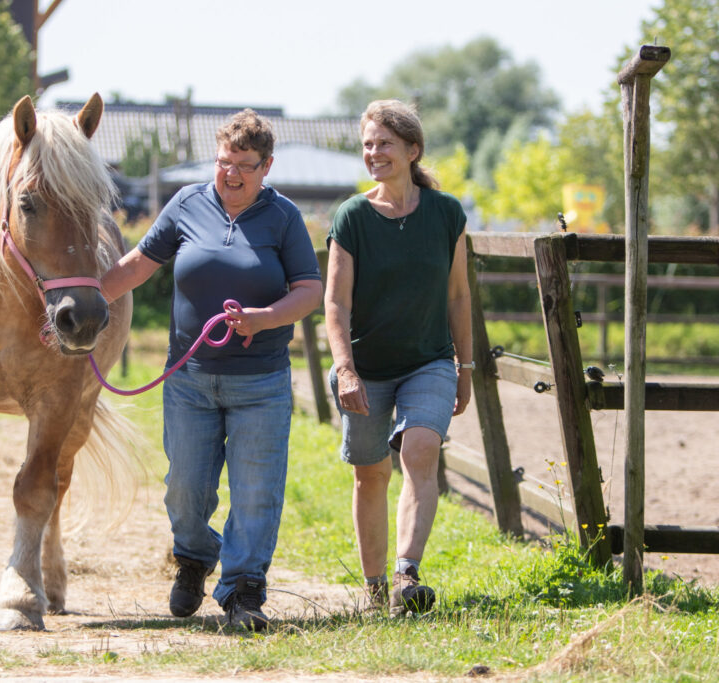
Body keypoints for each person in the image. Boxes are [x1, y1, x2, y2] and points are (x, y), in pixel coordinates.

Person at [101, 109, 322, 630]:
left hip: (261, 382)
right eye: (225, 162)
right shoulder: (187, 204)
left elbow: (309, 290)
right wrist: (78, 303)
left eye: (245, 165)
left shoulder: (283, 217)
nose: (232, 174)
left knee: (255, 491)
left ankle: (244, 591)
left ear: (266, 166)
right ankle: (195, 556)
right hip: (189, 380)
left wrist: (264, 319)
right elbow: (137, 264)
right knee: (185, 490)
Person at [323, 99, 472, 617]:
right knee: (370, 475)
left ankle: (408, 574)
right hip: (365, 368)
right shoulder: (353, 216)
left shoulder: (447, 213)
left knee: (420, 448)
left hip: (427, 361)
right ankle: (375, 586)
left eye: (384, 143)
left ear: (412, 149)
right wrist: (344, 369)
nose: (373, 152)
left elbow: (457, 295)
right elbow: (336, 303)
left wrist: (465, 367)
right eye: (367, 144)